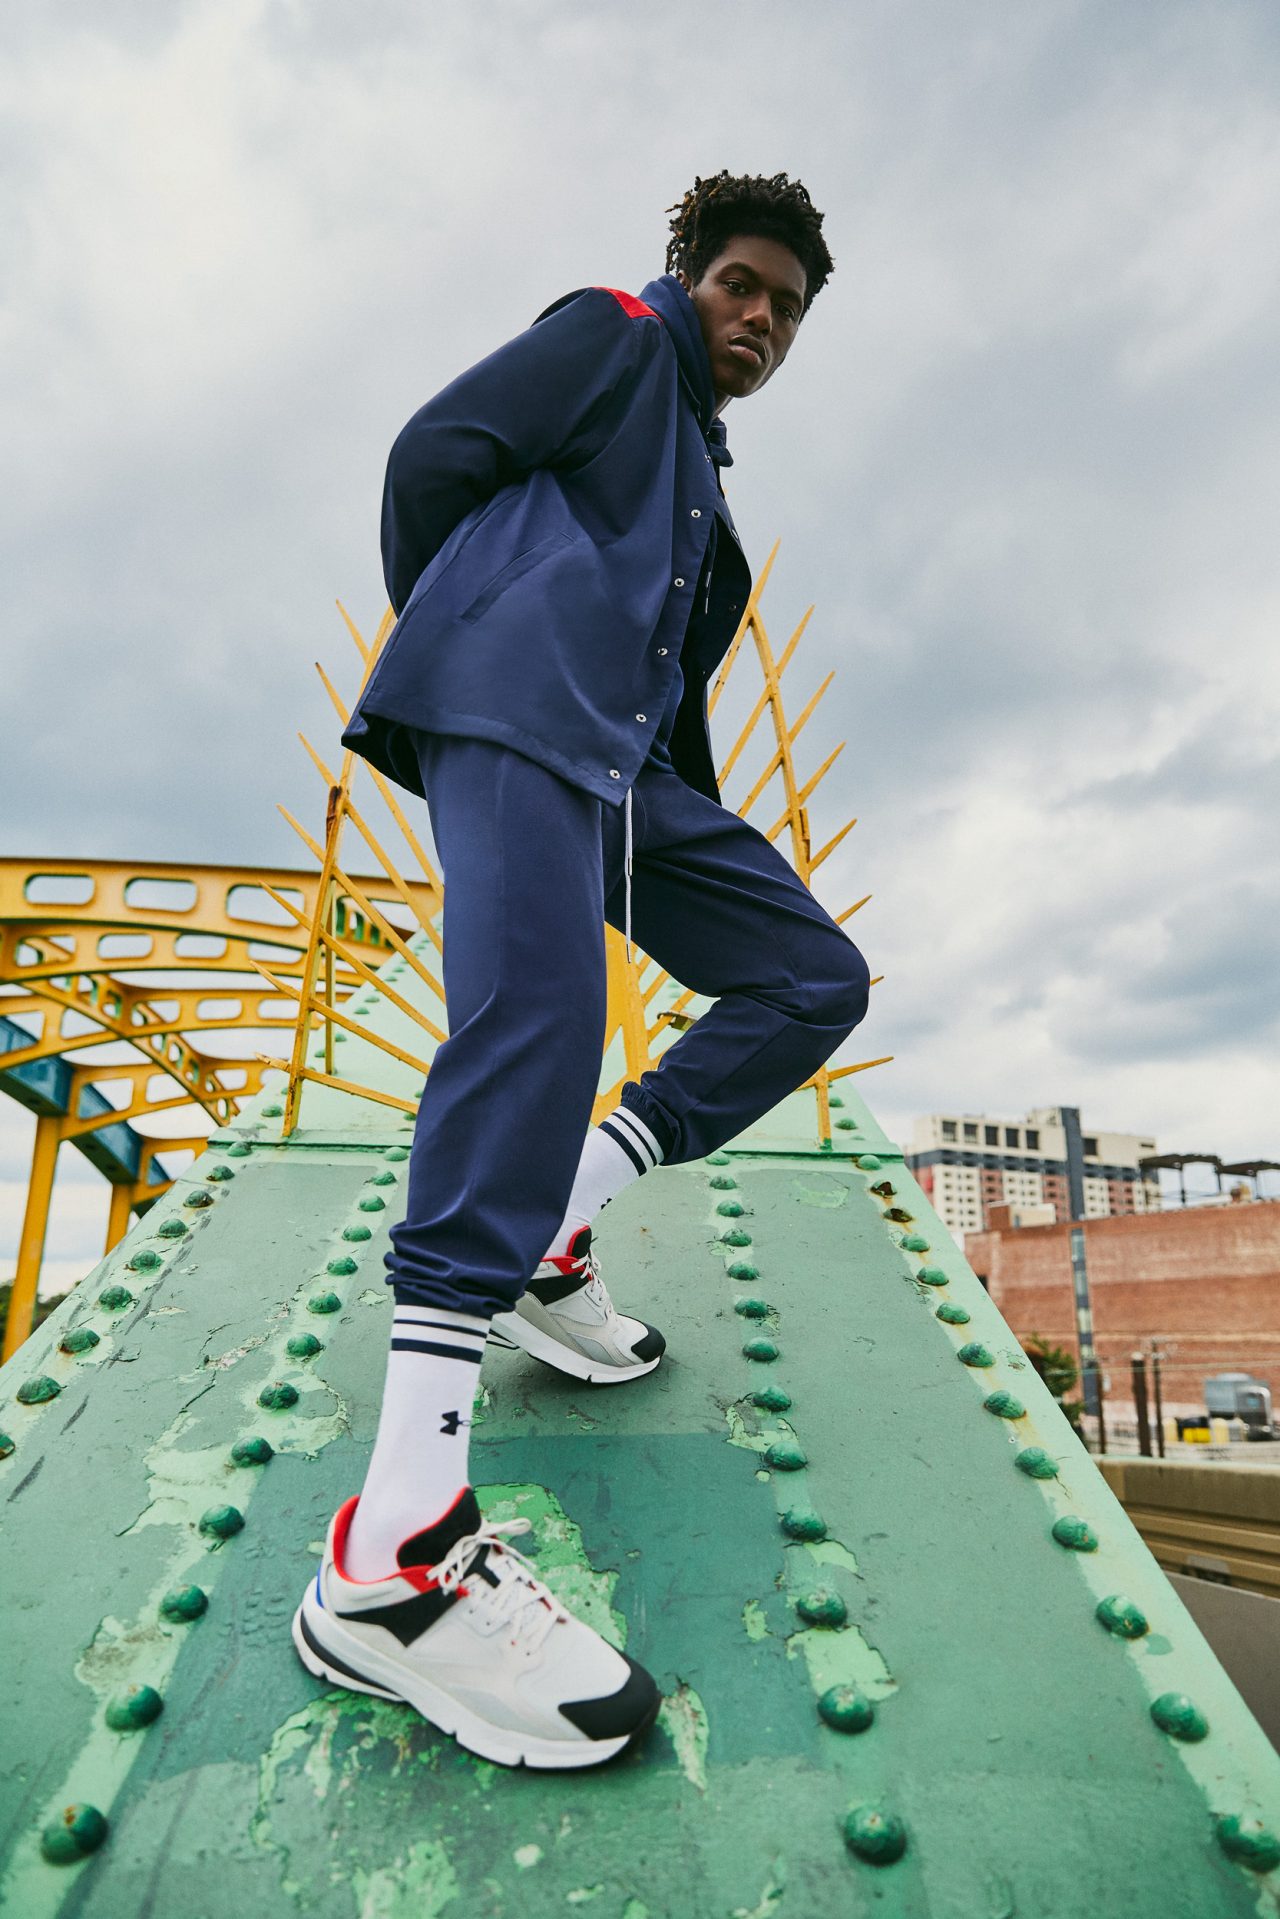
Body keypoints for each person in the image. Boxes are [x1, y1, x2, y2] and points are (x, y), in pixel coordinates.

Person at [292, 170, 871, 1769]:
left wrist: (669, 800)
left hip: (625, 775)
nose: (760, 318)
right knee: (536, 1022)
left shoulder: (702, 476)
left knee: (811, 977)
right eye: (741, 283)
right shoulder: (616, 336)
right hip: (512, 705)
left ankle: (557, 1222)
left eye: (788, 308)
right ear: (690, 273)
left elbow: (669, 665)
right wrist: (482, 623)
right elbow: (434, 457)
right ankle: (396, 1556)